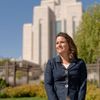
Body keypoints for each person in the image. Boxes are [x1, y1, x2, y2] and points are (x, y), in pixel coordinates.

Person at [44, 32, 87, 100]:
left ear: (69, 44)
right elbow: (48, 84)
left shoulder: (80, 63)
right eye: (57, 43)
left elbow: (82, 86)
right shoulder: (51, 63)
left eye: (62, 42)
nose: (59, 45)